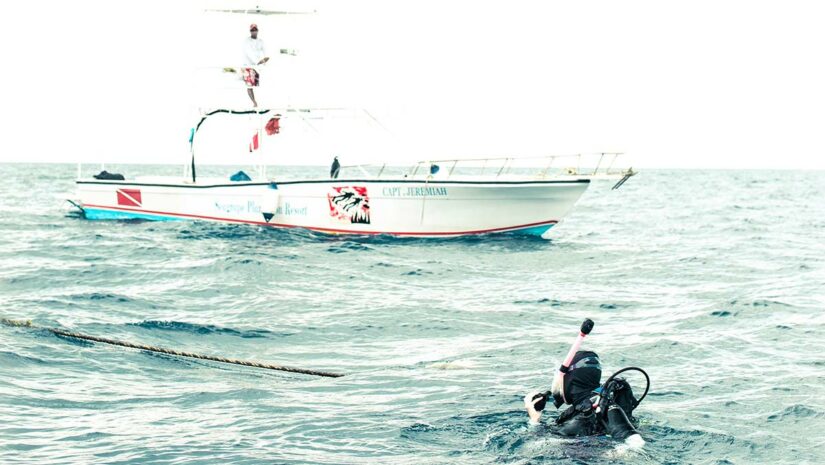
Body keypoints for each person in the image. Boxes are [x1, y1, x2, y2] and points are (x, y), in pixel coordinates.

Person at [524, 350, 647, 443]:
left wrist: (534, 422)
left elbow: (635, 442)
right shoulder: (595, 406)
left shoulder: (602, 409)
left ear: (570, 380)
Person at [242, 23, 270, 107]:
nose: (254, 31)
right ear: (250, 31)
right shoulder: (247, 41)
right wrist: (259, 61)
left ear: (257, 31)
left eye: (255, 30)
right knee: (249, 85)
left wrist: (265, 60)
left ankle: (258, 102)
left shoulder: (260, 41)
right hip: (248, 65)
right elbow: (249, 53)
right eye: (252, 30)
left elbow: (265, 51)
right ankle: (254, 102)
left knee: (255, 85)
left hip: (257, 66)